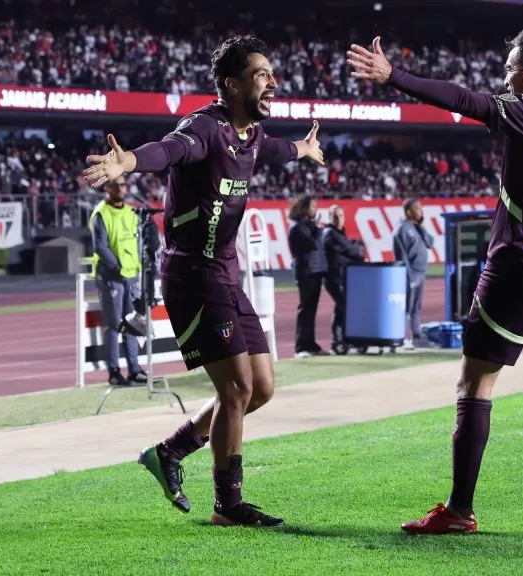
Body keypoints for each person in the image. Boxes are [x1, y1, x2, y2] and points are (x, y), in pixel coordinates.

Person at [348, 31, 523, 534]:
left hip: (518, 265)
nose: (503, 77)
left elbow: (463, 100)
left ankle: (459, 510)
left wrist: (395, 78)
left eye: (509, 67)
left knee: (474, 384)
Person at [82, 34, 325, 528]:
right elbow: (168, 151)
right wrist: (127, 161)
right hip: (192, 274)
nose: (273, 82)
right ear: (232, 85)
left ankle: (170, 452)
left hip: (226, 273)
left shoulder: (252, 136)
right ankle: (228, 505)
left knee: (260, 389)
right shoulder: (204, 127)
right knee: (235, 389)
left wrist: (304, 148)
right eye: (261, 74)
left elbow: (277, 150)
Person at [89, 175, 146, 386]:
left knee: (132, 324)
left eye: (123, 184)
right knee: (113, 326)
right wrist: (118, 266)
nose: (121, 188)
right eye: (117, 185)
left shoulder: (132, 212)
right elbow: (100, 247)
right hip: (112, 278)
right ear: (107, 188)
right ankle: (114, 371)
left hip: (132, 277)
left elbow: (137, 241)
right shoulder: (100, 214)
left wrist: (138, 265)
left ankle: (135, 369)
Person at [287, 194, 329, 358]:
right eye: (312, 206)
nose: (315, 209)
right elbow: (312, 244)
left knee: (311, 310)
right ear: (304, 208)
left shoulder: (308, 226)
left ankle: (310, 344)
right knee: (305, 310)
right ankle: (301, 346)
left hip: (315, 271)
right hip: (307, 272)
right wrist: (318, 228)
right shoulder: (299, 228)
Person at [392, 198, 433, 350]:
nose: (420, 212)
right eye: (417, 209)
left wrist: (421, 226)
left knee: (416, 306)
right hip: (411, 274)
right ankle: (400, 337)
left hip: (421, 272)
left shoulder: (416, 227)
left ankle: (416, 334)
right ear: (408, 211)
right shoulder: (402, 229)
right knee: (406, 306)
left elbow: (430, 243)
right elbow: (401, 256)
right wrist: (408, 277)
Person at [323, 204, 365, 347]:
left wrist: (354, 253)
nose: (338, 219)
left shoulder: (339, 233)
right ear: (329, 218)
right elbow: (341, 254)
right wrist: (357, 255)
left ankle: (338, 340)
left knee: (341, 308)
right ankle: (348, 338)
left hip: (340, 276)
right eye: (335, 216)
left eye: (340, 216)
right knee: (347, 307)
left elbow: (347, 251)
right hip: (334, 277)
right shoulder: (330, 233)